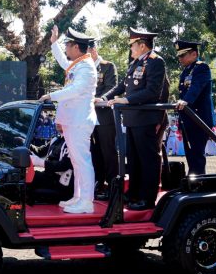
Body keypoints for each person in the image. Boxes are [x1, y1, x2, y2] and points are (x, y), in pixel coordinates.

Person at [102, 28, 168, 211]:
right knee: (133, 160)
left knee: (147, 160)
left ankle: (147, 198)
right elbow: (122, 86)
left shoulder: (156, 62)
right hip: (132, 119)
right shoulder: (135, 63)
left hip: (145, 118)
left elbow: (153, 91)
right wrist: (105, 98)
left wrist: (127, 100)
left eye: (132, 45)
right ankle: (133, 193)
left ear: (142, 45)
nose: (130, 48)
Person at [39, 26, 97, 214]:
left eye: (67, 44)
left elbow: (76, 90)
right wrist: (54, 43)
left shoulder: (87, 67)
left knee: (82, 161)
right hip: (73, 121)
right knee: (77, 162)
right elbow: (63, 62)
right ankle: (78, 197)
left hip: (79, 121)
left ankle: (87, 201)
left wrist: (51, 95)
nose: (66, 48)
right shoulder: (78, 64)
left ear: (76, 47)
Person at [174, 40, 214, 175]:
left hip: (198, 119)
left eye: (182, 55)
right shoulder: (186, 71)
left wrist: (185, 101)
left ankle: (198, 184)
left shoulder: (201, 68)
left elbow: (196, 88)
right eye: (179, 56)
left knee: (197, 155)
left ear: (194, 54)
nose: (180, 59)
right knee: (190, 154)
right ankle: (193, 181)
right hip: (188, 119)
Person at [88, 43, 118, 198]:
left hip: (104, 115)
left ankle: (113, 185)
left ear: (93, 50)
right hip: (88, 116)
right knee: (95, 152)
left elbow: (112, 87)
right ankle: (98, 183)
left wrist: (98, 98)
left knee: (108, 152)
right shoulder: (84, 68)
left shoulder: (108, 66)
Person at [29, 123, 74, 200]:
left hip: (59, 181)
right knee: (25, 175)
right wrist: (28, 145)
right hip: (49, 176)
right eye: (57, 119)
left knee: (30, 178)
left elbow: (64, 165)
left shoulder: (71, 141)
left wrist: (39, 162)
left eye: (61, 120)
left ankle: (20, 208)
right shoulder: (56, 139)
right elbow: (41, 151)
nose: (57, 122)